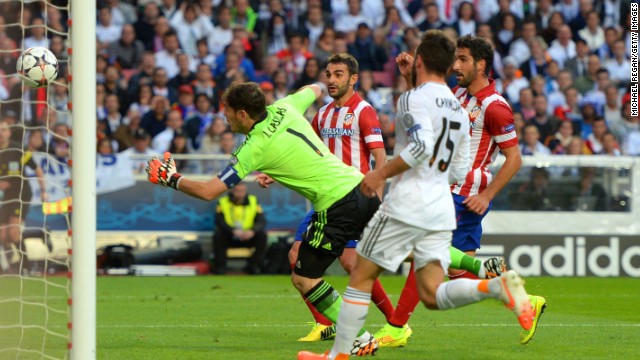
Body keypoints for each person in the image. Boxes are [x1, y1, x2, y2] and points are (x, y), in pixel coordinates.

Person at [298, 30, 534, 360]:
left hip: (410, 201)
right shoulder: (458, 106)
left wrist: (380, 173)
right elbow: (459, 167)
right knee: (431, 293)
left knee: (360, 273)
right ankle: (496, 286)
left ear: (420, 61)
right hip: (440, 203)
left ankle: (339, 354)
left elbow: (422, 147)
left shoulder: (413, 99)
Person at [146, 82, 379, 353]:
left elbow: (210, 191)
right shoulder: (285, 106)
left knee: (304, 279)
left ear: (243, 114)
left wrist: (171, 179)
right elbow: (315, 88)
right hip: (362, 187)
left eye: (228, 111)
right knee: (395, 252)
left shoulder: (253, 147)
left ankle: (360, 338)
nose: (225, 117)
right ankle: (439, 256)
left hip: (336, 203)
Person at [370, 34, 547, 349]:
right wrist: (412, 78)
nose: (456, 65)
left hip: (464, 195)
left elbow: (514, 158)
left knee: (423, 252)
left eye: (463, 59)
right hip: (449, 188)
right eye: (456, 58)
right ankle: (523, 300)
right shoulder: (458, 94)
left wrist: (487, 195)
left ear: (481, 65)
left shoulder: (496, 107)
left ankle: (396, 327)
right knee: (456, 273)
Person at [282, 53, 392, 342]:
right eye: (328, 74)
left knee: (353, 264)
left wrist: (376, 197)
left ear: (353, 79)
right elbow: (307, 148)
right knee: (296, 255)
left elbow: (380, 156)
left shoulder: (364, 111)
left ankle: (396, 322)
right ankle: (324, 322)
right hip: (325, 197)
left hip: (354, 198)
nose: (331, 80)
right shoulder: (323, 114)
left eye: (338, 74)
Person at [0, 118, 47, 274]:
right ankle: (37, 234)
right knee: (3, 235)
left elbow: (36, 168)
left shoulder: (17, 149)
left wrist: (43, 190)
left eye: (4, 129)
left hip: (21, 193)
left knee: (13, 233)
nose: (1, 133)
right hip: (5, 196)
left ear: (9, 132)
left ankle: (26, 265)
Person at [212, 182, 267, 275]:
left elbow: (261, 221)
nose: (239, 193)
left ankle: (253, 266)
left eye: (242, 191)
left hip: (247, 236)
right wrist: (232, 231)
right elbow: (219, 221)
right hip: (230, 235)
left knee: (262, 235)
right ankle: (220, 267)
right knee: (218, 235)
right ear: (232, 190)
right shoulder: (222, 202)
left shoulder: (254, 200)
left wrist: (252, 231)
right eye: (237, 190)